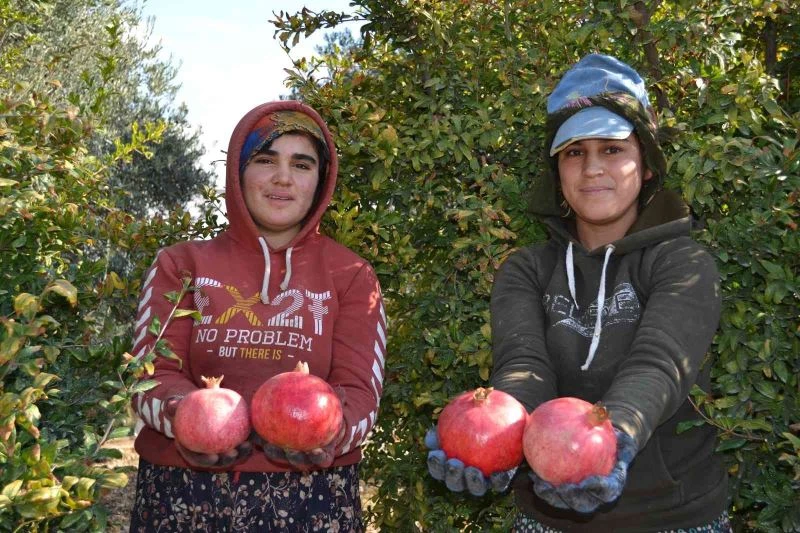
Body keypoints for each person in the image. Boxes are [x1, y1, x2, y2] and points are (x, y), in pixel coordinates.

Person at [427, 54, 731, 532]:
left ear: (646, 164)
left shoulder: (683, 263)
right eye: (573, 151)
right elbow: (524, 365)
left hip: (673, 514)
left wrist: (617, 434)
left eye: (612, 149)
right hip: (548, 517)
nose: (592, 168)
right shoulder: (527, 269)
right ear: (557, 171)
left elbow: (659, 363)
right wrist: (498, 436)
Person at [128, 100, 387, 532]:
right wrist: (186, 418)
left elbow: (360, 391)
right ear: (238, 172)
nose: (283, 177)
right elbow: (152, 375)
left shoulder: (352, 275)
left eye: (302, 165)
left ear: (320, 181)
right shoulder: (182, 264)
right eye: (266, 160)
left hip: (313, 499)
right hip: (182, 493)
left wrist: (328, 432)